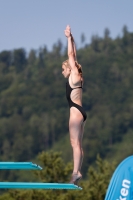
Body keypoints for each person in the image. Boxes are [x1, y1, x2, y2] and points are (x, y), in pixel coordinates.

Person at [62, 25, 87, 185]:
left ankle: (75, 172)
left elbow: (71, 54)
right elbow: (74, 56)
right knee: (78, 144)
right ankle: (77, 171)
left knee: (74, 144)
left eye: (63, 69)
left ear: (70, 69)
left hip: (75, 113)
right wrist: (73, 40)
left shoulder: (74, 75)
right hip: (80, 112)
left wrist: (69, 38)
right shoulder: (76, 76)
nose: (63, 72)